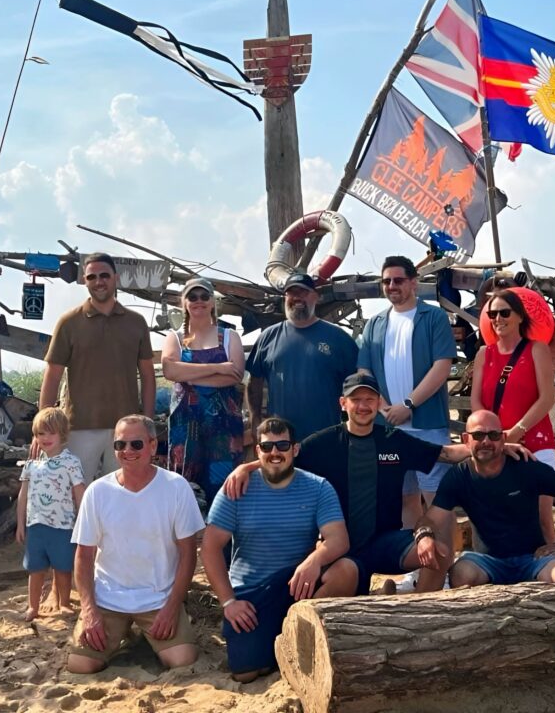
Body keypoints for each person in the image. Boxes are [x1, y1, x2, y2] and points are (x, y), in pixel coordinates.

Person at [225, 374, 528, 597]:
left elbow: (447, 453)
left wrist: (497, 447)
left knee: (440, 553)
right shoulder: (323, 443)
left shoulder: (393, 440)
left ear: (379, 403)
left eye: (369, 399)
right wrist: (247, 466)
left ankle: (421, 610)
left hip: (385, 541)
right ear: (343, 404)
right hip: (341, 548)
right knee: (339, 599)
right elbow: (282, 457)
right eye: (355, 399)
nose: (363, 405)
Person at [201, 417, 349, 682]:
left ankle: (307, 644)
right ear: (257, 451)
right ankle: (276, 647)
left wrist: (314, 560)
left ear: (295, 449)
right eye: (267, 447)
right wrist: (228, 602)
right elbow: (210, 549)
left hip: (297, 584)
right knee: (246, 673)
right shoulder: (236, 488)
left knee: (346, 571)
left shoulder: (318, 487)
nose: (275, 453)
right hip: (251, 590)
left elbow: (338, 540)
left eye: (282, 445)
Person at [67, 415, 203, 673]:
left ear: (152, 445)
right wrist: (89, 611)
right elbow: (83, 557)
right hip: (108, 598)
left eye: (136, 444)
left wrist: (172, 606)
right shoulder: (97, 492)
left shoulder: (176, 487)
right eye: (120, 445)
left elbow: (188, 555)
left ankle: (143, 636)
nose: (127, 451)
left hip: (158, 598)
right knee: (81, 665)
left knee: (182, 659)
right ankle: (128, 633)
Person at [418, 410, 555, 587]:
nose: (486, 441)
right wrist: (424, 536)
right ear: (465, 439)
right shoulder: (459, 476)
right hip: (487, 561)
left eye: (493, 435)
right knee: (461, 574)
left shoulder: (525, 466)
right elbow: (430, 519)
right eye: (478, 435)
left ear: (503, 438)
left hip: (533, 558)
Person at [357, 255, 457, 526]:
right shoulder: (374, 324)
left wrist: (408, 405)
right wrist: (384, 406)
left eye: (398, 280)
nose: (392, 285)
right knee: (404, 498)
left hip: (428, 426)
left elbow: (442, 366)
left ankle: (444, 564)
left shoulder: (434, 316)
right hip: (388, 427)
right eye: (386, 281)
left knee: (437, 498)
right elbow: (364, 371)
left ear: (414, 282)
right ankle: (416, 560)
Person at [40, 252, 155, 481]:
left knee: (123, 494)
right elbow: (52, 376)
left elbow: (148, 375)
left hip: (126, 430)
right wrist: (43, 428)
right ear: (84, 280)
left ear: (115, 278)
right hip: (80, 427)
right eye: (92, 277)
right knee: (76, 497)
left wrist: (147, 425)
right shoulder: (69, 323)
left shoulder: (136, 322)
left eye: (104, 275)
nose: (99, 282)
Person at [470, 287, 555, 541]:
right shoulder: (484, 354)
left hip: (534, 441)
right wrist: (492, 434)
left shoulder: (537, 350)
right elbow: (476, 399)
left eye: (504, 312)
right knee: (497, 513)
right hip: (495, 444)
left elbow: (546, 398)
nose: (498, 319)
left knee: (541, 515)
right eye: (492, 314)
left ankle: (551, 566)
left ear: (519, 315)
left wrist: (517, 430)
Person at [247, 272, 358, 442]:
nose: (297, 297)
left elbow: (357, 385)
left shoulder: (339, 338)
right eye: (292, 293)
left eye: (303, 292)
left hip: (327, 439)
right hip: (280, 441)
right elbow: (254, 382)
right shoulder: (268, 337)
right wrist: (255, 418)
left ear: (316, 297)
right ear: (285, 297)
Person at [161, 277, 245, 503]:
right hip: (185, 429)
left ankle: (225, 538)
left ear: (212, 302)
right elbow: (169, 370)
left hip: (223, 428)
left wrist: (188, 375)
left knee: (226, 488)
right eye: (192, 296)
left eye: (204, 296)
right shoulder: (175, 338)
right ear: (184, 302)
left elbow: (234, 375)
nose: (199, 301)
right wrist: (218, 368)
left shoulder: (229, 336)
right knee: (185, 489)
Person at [16, 407, 86, 620]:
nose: (45, 438)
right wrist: (20, 524)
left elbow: (80, 493)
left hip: (63, 525)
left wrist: (85, 522)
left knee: (62, 566)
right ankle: (33, 606)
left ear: (62, 434)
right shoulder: (31, 465)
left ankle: (63, 603)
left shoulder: (71, 463)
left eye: (50, 433)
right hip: (36, 525)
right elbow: (23, 495)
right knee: (35, 568)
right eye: (40, 434)